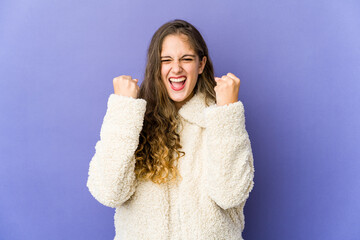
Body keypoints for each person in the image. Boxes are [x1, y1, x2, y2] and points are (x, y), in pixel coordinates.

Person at [86, 19, 255, 240]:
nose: (176, 68)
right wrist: (123, 110)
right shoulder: (132, 119)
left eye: (186, 59)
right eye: (166, 60)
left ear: (201, 64)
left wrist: (227, 112)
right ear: (157, 66)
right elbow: (109, 192)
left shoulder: (219, 119)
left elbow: (230, 194)